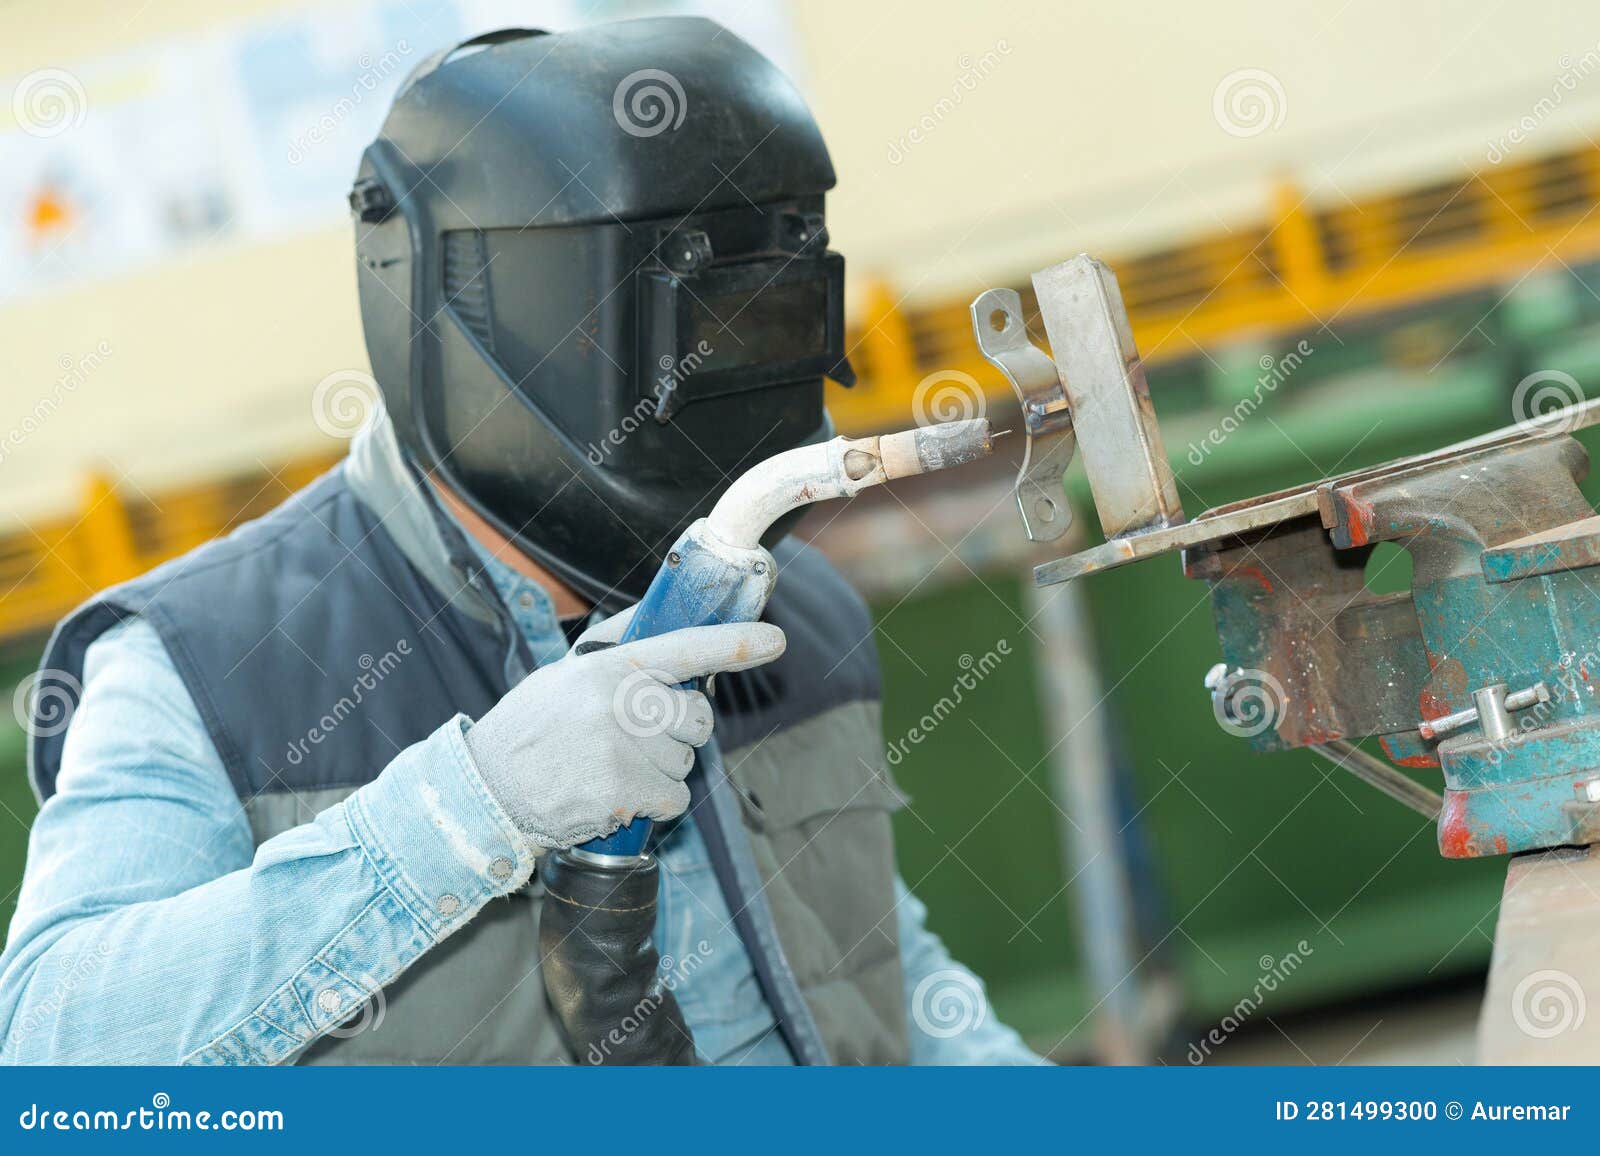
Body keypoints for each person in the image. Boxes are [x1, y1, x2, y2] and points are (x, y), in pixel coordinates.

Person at [0, 16, 1039, 1066]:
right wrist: (476, 805)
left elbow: (875, 967)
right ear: (455, 291)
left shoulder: (787, 610)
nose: (726, 373)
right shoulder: (209, 664)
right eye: (694, 324)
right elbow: (52, 1052)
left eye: (765, 315)